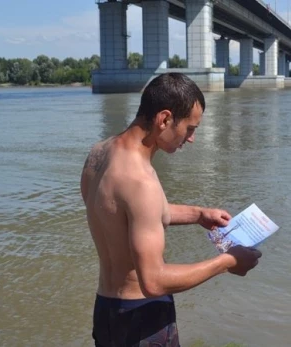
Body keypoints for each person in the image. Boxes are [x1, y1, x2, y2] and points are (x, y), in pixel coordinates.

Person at [80, 73, 262, 347]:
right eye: (190, 129)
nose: (191, 139)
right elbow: (153, 281)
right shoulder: (141, 181)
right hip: (143, 318)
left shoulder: (99, 154)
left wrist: (199, 214)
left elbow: (123, 214)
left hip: (107, 311)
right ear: (164, 119)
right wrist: (227, 262)